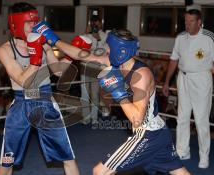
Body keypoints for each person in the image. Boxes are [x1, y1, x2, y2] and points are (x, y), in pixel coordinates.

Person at [35, 23, 191, 174]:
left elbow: (137, 119)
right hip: (159, 132)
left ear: (120, 50)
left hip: (148, 134)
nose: (107, 50)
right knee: (179, 172)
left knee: (99, 171)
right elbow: (80, 55)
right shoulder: (115, 63)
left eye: (110, 47)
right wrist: (53, 39)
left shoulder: (142, 75)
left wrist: (118, 91)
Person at [0, 2, 79, 175]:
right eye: (29, 22)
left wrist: (73, 54)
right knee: (7, 161)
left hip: (45, 102)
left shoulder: (42, 43)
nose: (34, 25)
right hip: (21, 105)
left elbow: (57, 71)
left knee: (67, 157)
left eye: (35, 21)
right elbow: (22, 80)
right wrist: (35, 59)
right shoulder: (5, 50)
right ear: (16, 23)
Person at [162, 4, 213, 169]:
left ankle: (204, 156)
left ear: (200, 22)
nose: (187, 24)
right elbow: (174, 60)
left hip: (202, 80)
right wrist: (167, 81)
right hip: (183, 79)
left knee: (201, 120)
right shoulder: (180, 38)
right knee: (182, 118)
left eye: (191, 21)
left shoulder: (209, 38)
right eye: (186, 21)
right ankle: (182, 150)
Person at [80, 15, 109, 124]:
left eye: (97, 23)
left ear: (100, 24)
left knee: (95, 95)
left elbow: (102, 51)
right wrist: (86, 33)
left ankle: (94, 118)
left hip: (96, 69)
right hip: (85, 67)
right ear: (90, 24)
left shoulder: (104, 36)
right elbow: (82, 50)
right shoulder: (85, 35)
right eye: (93, 23)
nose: (95, 25)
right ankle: (86, 117)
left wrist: (98, 39)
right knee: (84, 95)